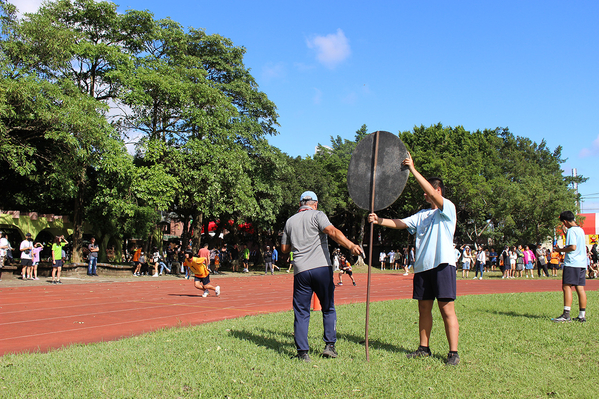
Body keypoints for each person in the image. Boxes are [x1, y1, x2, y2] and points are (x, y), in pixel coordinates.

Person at [368, 152, 460, 366]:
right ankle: (424, 348)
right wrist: (379, 220)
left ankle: (453, 353)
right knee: (423, 309)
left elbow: (431, 193)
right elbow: (400, 223)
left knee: (447, 309)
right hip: (422, 268)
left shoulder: (448, 209)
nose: (424, 195)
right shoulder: (422, 215)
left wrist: (413, 169)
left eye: (428, 191)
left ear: (436, 191)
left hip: (443, 265)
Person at [281, 191, 362, 362]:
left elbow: (284, 249)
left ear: (300, 204)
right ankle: (329, 346)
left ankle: (303, 352)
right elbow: (331, 231)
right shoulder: (318, 215)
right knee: (328, 307)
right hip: (321, 268)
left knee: (302, 311)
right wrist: (351, 245)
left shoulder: (290, 221)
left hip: (301, 271)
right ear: (315, 204)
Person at [552, 211, 587, 323]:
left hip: (572, 263)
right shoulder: (580, 230)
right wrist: (565, 233)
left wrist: (560, 250)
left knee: (566, 287)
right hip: (581, 263)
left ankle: (566, 314)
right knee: (580, 288)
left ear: (565, 221)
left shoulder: (571, 231)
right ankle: (582, 315)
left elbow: (572, 247)